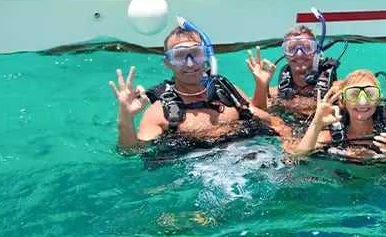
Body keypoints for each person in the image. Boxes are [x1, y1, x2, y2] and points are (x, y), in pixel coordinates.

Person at [109, 26, 292, 156]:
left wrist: (289, 143)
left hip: (248, 155)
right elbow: (130, 152)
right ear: (168, 63)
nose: (190, 63)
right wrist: (125, 118)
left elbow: (271, 120)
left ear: (204, 57)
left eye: (195, 54)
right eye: (180, 56)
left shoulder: (226, 92)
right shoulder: (160, 112)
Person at [288, 69, 386, 163]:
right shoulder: (328, 136)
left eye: (370, 94)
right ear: (343, 102)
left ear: (378, 100)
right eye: (353, 94)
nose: (362, 101)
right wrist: (316, 124)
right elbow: (298, 158)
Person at [246, 25, 341, 125]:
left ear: (316, 52)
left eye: (307, 48)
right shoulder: (275, 94)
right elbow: (256, 113)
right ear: (285, 54)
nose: (299, 54)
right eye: (291, 49)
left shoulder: (335, 89)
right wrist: (261, 84)